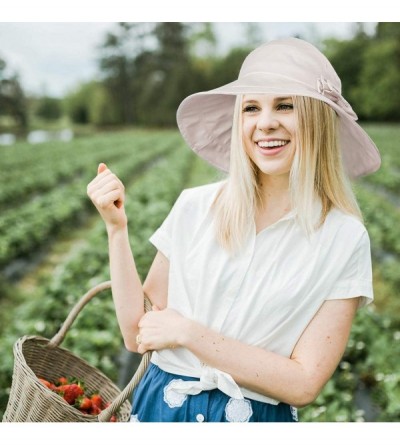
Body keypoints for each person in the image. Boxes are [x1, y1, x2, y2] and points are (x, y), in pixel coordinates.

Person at [87, 37, 381, 422]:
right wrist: (116, 230)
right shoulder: (196, 207)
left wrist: (190, 334)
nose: (265, 123)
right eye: (252, 108)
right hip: (161, 408)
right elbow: (136, 333)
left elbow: (303, 383)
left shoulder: (343, 238)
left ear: (317, 120)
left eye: (285, 105)